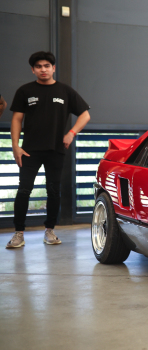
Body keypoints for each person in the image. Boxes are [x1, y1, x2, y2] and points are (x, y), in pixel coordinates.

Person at [6, 51, 91, 249]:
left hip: (55, 150)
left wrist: (71, 133)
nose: (43, 69)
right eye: (38, 66)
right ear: (33, 70)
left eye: (46, 66)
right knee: (24, 190)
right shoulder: (25, 91)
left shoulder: (65, 91)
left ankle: (50, 230)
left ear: (53, 68)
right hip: (29, 151)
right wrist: (16, 146)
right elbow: (17, 119)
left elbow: (85, 115)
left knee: (53, 190)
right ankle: (18, 233)